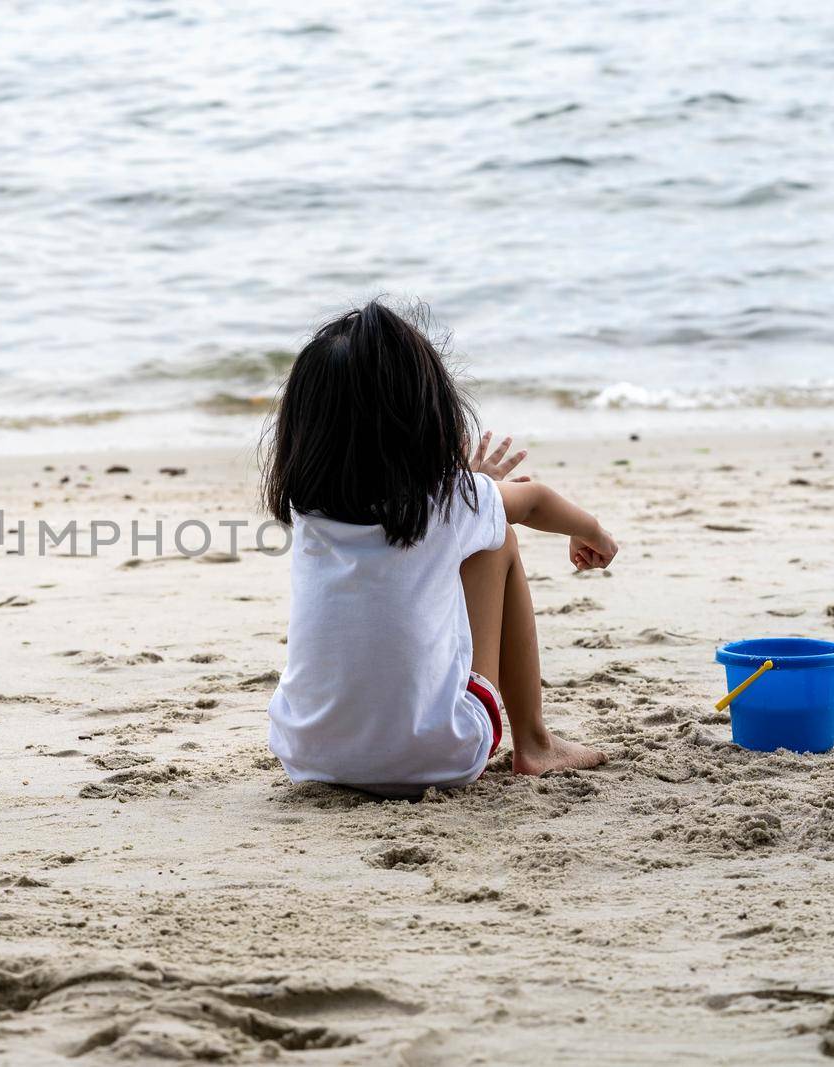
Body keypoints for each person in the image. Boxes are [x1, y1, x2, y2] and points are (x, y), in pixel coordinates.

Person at [261, 300, 614, 796]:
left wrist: (470, 490)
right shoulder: (453, 502)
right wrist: (591, 532)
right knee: (499, 539)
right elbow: (534, 502)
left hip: (309, 753)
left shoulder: (307, 510)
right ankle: (535, 742)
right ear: (425, 415)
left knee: (471, 536)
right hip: (441, 756)